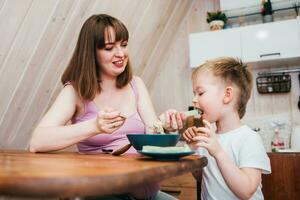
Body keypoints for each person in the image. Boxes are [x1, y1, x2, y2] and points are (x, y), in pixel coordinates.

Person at [29, 14, 184, 200]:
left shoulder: (136, 84)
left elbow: (153, 136)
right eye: (110, 48)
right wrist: (95, 126)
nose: (121, 53)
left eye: (124, 44)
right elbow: (38, 141)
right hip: (105, 193)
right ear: (91, 52)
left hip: (149, 194)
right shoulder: (75, 91)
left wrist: (165, 126)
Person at [183, 57, 271, 200]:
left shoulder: (249, 138)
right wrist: (192, 153)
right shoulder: (207, 136)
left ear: (227, 95)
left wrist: (218, 153)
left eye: (200, 93)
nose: (194, 99)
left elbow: (247, 190)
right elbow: (201, 177)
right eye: (194, 94)